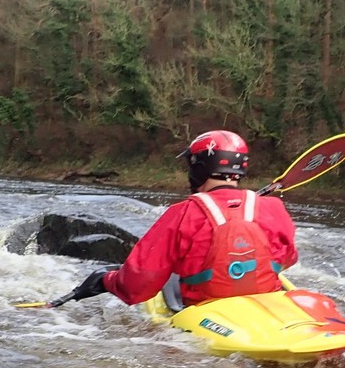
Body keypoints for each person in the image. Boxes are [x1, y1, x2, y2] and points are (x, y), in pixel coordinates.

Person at [70, 130, 298, 308]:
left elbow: (138, 284)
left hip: (205, 310)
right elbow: (288, 258)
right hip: (264, 305)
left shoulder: (181, 213)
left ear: (199, 168)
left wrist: (106, 281)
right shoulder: (273, 207)